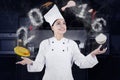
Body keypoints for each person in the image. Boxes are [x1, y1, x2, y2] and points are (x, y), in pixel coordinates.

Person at [16, 4, 107, 80]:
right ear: (52, 27)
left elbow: (82, 63)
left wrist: (93, 54)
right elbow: (39, 67)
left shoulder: (72, 44)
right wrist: (30, 62)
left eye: (64, 23)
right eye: (58, 23)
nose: (62, 25)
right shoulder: (45, 43)